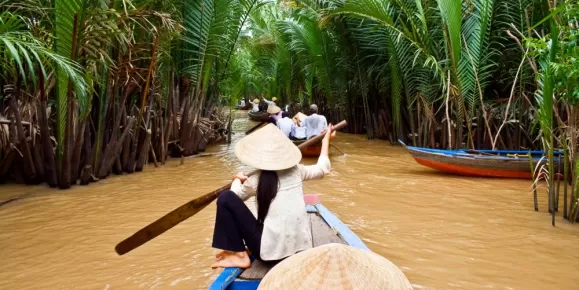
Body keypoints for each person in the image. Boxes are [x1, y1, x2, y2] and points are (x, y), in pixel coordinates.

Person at [210, 123, 336, 269]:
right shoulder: (297, 171)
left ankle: (241, 255)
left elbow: (235, 196)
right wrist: (326, 140)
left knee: (225, 198)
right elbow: (323, 169)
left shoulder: (256, 179)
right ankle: (245, 251)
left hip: (268, 256)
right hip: (301, 250)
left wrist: (237, 180)